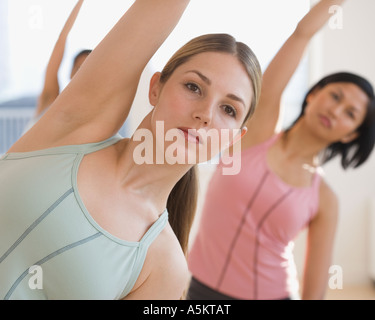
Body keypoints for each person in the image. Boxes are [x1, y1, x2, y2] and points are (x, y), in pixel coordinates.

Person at [0, 0, 262, 300]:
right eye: (193, 87)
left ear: (233, 139)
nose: (205, 113)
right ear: (155, 88)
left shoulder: (164, 266)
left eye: (228, 109)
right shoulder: (74, 131)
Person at [187, 0, 375, 300]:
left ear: (351, 133)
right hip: (197, 287)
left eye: (350, 113)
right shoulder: (256, 134)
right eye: (335, 95)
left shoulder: (324, 198)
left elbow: (316, 285)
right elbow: (301, 34)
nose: (337, 110)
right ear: (313, 95)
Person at [23, 0, 91, 133]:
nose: (81, 74)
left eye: (87, 70)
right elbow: (61, 40)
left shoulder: (88, 114)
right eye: (78, 68)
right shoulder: (50, 98)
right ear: (70, 73)